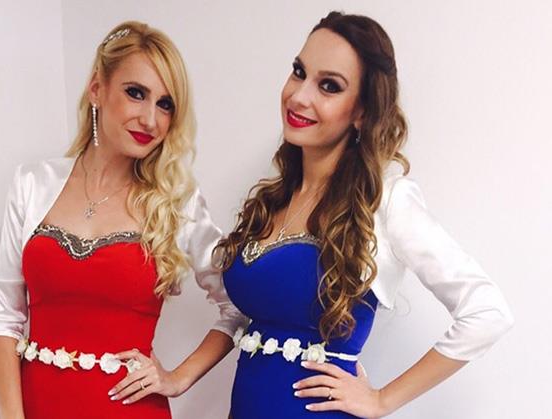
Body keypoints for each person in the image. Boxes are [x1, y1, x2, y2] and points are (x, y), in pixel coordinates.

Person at [217, 11, 514, 419]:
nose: (299, 96)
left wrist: (381, 399)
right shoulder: (275, 197)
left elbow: (487, 312)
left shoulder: (385, 200)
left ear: (362, 111)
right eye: (299, 72)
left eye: (329, 86)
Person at [0, 21, 245, 419]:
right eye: (136, 93)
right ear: (97, 89)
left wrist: (177, 378)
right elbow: (5, 315)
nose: (150, 119)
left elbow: (238, 305)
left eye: (165, 104)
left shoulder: (176, 202)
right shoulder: (33, 183)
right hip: (39, 406)